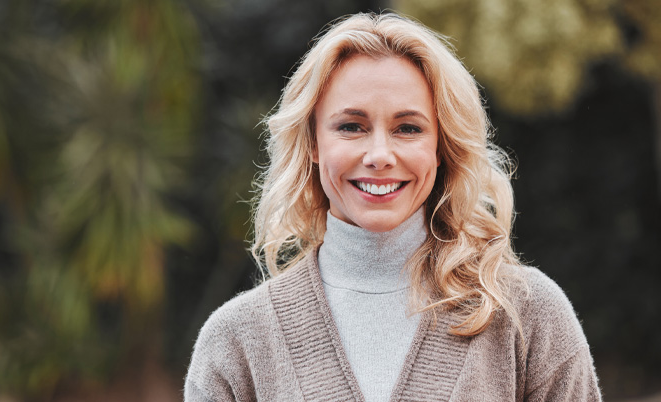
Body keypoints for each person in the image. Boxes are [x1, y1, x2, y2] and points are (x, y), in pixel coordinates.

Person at [185, 12, 601, 402]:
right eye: (351, 126)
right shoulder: (236, 341)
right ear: (313, 143)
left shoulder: (526, 315)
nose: (379, 155)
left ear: (441, 147)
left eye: (408, 128)